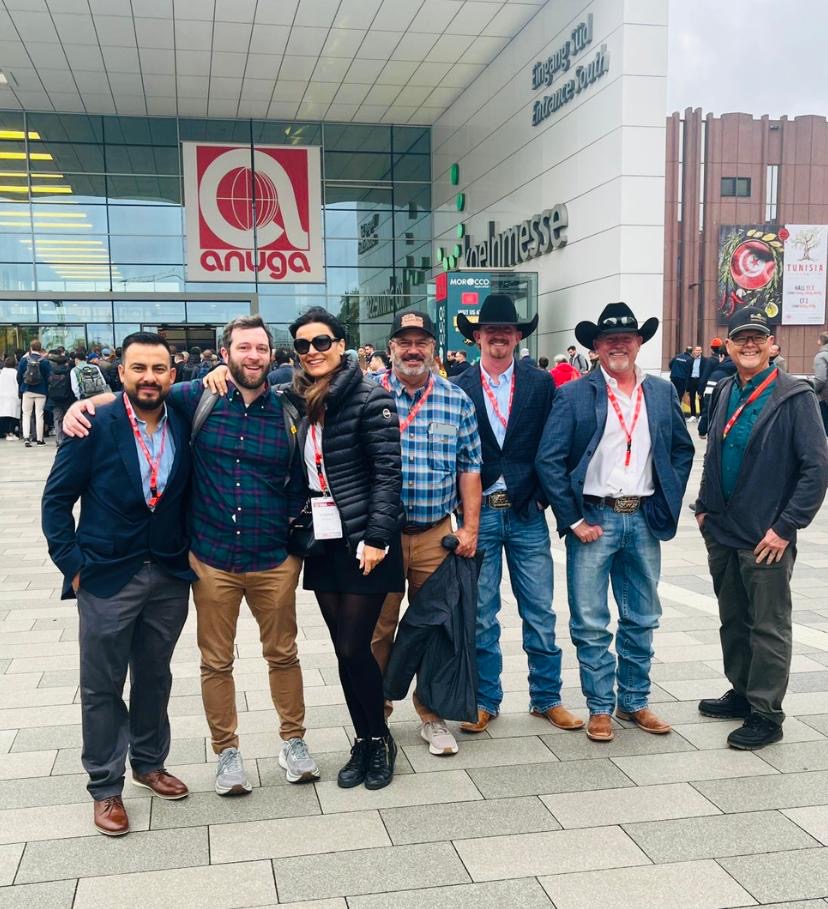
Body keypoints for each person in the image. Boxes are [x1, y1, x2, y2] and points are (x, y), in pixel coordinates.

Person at [64, 315, 320, 794]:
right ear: (225, 354)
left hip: (273, 558)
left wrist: (292, 542)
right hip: (211, 558)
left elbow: (300, 477)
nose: (253, 356)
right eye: (243, 347)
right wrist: (83, 405)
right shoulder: (195, 398)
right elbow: (139, 396)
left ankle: (294, 741)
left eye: (261, 348)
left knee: (284, 654)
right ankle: (226, 752)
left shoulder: (289, 408)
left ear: (272, 355)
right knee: (215, 661)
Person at [42, 332, 193, 836]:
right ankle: (105, 786)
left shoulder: (184, 420)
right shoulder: (93, 424)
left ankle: (149, 762)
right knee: (102, 685)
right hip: (106, 576)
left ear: (172, 374)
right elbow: (56, 501)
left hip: (168, 574)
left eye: (159, 369)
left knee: (154, 676)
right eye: (139, 368)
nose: (149, 378)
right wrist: (73, 565)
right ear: (121, 373)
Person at [537, 303, 694, 742]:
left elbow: (682, 449)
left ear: (639, 343)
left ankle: (635, 701)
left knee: (641, 616)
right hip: (594, 517)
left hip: (642, 518)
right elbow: (549, 460)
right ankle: (600, 707)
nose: (618, 345)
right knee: (590, 621)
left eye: (627, 338)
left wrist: (667, 496)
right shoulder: (573, 394)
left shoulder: (661, 392)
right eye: (609, 340)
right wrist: (572, 519)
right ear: (596, 347)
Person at [695, 306, 828, 749]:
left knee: (768, 626)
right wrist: (703, 508)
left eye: (758, 337)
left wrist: (786, 527)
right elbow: (713, 452)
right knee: (733, 620)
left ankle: (766, 713)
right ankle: (742, 691)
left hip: (767, 536)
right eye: (741, 338)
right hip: (723, 531)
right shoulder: (725, 389)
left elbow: (816, 469)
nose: (749, 344)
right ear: (729, 347)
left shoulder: (795, 396)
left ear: (772, 345)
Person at [452, 293, 583, 735]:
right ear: (477, 337)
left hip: (527, 511)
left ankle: (546, 697)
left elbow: (557, 444)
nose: (498, 337)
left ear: (517, 336)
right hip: (480, 514)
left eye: (506, 331)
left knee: (540, 610)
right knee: (481, 614)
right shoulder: (459, 386)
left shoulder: (541, 384)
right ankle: (485, 699)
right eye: (490, 331)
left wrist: (544, 498)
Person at [288, 307, 403, 789]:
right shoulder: (300, 397)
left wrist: (377, 538)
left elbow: (388, 474)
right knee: (343, 650)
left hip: (365, 540)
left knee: (356, 646)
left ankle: (380, 740)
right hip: (324, 539)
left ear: (341, 344)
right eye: (303, 345)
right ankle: (365, 738)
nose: (312, 351)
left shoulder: (371, 396)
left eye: (322, 342)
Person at [370, 310, 482, 756]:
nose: (413, 350)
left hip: (436, 534)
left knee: (436, 627)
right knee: (378, 628)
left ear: (434, 348)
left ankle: (431, 715)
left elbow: (469, 468)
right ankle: (375, 713)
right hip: (380, 538)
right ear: (391, 348)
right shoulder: (367, 395)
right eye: (404, 342)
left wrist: (470, 527)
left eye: (421, 342)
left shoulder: (456, 400)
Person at [17, 339, 51, 447]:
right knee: (39, 414)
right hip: (41, 390)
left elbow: (19, 376)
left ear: (31, 348)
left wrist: (21, 386)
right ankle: (40, 439)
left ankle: (27, 438)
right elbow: (49, 377)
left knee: (26, 414)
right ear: (40, 349)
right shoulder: (44, 361)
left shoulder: (24, 360)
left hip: (27, 389)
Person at [46, 353, 76, 448]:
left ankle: (59, 440)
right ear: (66, 362)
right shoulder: (69, 371)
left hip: (55, 399)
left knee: (57, 419)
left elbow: (48, 382)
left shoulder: (52, 371)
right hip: (67, 398)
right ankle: (68, 438)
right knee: (68, 418)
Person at [668, 346, 693, 416]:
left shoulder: (677, 356)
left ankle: (671, 409)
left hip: (674, 377)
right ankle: (676, 412)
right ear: (691, 352)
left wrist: (674, 371)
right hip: (682, 379)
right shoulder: (690, 359)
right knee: (679, 396)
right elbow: (689, 372)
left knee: (673, 394)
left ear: (685, 350)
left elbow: (670, 364)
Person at [0, 356, 20, 439]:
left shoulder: (2, 372)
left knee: (3, 415)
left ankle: (4, 433)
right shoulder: (15, 373)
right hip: (13, 396)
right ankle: (11, 433)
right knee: (13, 415)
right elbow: (17, 384)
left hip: (2, 396)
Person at [814, 330, 828, 436]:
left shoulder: (821, 356)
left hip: (824, 398)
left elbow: (820, 379)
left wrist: (809, 389)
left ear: (820, 341)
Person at [686, 345, 704, 421]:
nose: (698, 352)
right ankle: (693, 415)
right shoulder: (690, 361)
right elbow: (688, 373)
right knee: (692, 398)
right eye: (696, 350)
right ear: (694, 351)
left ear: (701, 351)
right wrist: (687, 386)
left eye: (699, 350)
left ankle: (701, 415)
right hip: (692, 380)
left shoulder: (704, 361)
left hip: (700, 380)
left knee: (701, 398)